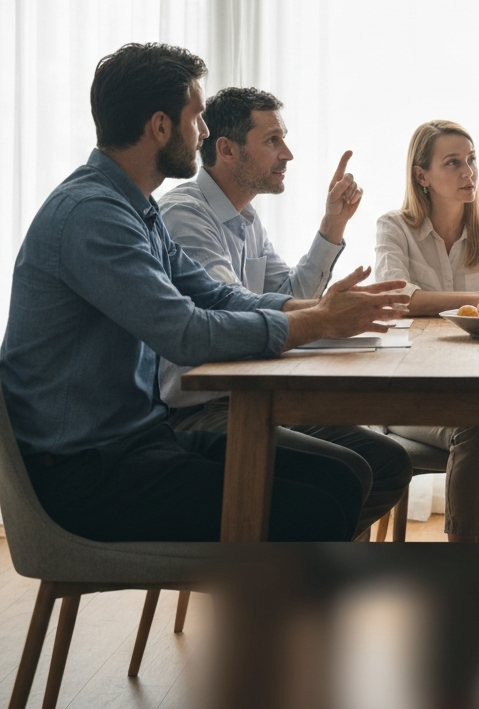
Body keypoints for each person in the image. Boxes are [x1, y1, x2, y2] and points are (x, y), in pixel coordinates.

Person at [0, 43, 408, 542]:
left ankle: (279, 613)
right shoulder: (93, 215)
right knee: (315, 505)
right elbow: (186, 333)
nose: (205, 133)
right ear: (160, 126)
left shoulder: (135, 209)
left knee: (341, 479)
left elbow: (213, 294)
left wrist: (320, 309)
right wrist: (320, 321)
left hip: (137, 443)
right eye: (197, 117)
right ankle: (270, 616)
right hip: (85, 471)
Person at [158, 86, 412, 539]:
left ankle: (295, 560)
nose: (288, 154)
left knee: (388, 462)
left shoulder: (248, 219)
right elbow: (232, 310)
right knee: (349, 472)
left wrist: (332, 224)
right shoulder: (185, 216)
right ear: (228, 150)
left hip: (254, 398)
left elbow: (286, 294)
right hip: (202, 409)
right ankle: (289, 570)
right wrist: (325, 315)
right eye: (273, 140)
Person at [374, 120, 479, 541]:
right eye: (453, 162)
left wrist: (434, 299)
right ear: (421, 175)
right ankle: (466, 577)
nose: (469, 172)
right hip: (413, 390)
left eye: (472, 160)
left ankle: (469, 571)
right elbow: (397, 300)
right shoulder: (394, 226)